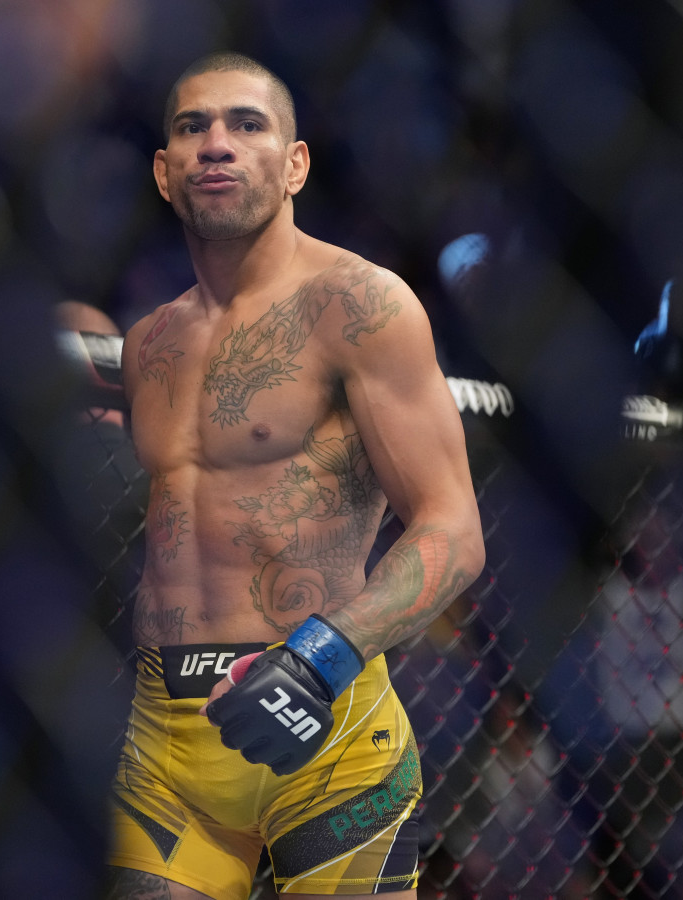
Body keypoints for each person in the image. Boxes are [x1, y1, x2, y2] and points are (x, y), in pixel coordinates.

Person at [105, 51, 484, 900]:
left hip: (330, 736)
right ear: (164, 174)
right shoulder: (147, 347)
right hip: (169, 745)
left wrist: (322, 657)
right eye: (192, 127)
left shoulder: (361, 305)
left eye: (247, 124)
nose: (217, 145)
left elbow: (453, 530)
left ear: (295, 163)